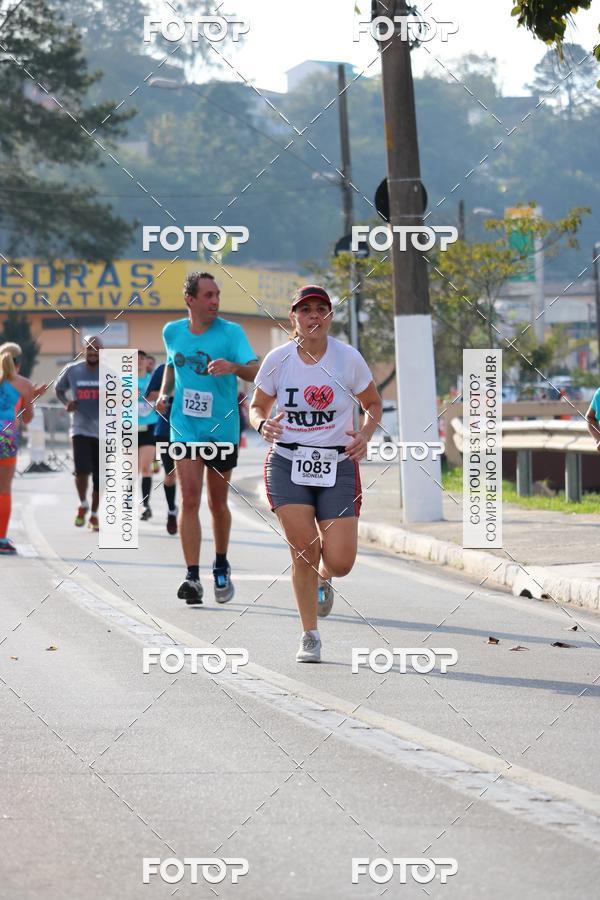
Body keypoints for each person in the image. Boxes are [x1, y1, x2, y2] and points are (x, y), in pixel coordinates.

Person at [250, 285, 382, 663]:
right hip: (288, 463)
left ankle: (325, 577)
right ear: (293, 317)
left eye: (321, 310)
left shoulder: (347, 359)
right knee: (304, 548)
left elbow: (372, 402)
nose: (313, 316)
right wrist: (262, 425)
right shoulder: (278, 360)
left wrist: (366, 434)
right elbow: (257, 406)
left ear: (330, 317)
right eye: (305, 310)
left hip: (338, 464)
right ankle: (309, 635)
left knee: (340, 561)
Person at [156, 271, 259, 605]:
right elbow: (172, 364)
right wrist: (163, 392)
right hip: (184, 427)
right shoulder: (171, 331)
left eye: (217, 295)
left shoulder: (232, 333)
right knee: (189, 500)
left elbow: (257, 369)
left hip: (222, 429)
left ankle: (221, 562)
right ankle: (191, 575)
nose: (215, 301)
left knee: (217, 503)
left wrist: (232, 367)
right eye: (208, 295)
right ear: (190, 299)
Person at [0, 343, 47, 554]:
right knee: (3, 489)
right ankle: (1, 539)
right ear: (19, 363)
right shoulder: (24, 384)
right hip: (6, 435)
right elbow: (27, 418)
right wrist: (32, 396)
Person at [56, 336, 102, 531]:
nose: (93, 352)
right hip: (80, 428)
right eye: (89, 349)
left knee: (100, 478)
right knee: (82, 471)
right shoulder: (72, 370)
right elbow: (59, 389)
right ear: (84, 351)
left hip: (104, 432)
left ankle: (93, 514)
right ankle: (83, 503)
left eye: (97, 349)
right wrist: (67, 403)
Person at [146, 361, 178, 534]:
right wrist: (169, 393)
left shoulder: (198, 367)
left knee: (189, 475)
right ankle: (172, 509)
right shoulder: (163, 369)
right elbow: (149, 395)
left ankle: (187, 510)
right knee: (170, 474)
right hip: (166, 429)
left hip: (194, 430)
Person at [137, 350, 159, 521]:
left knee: (146, 468)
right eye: (135, 359)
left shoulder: (153, 380)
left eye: (142, 359)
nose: (138, 362)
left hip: (150, 427)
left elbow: (162, 397)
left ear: (147, 362)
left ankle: (145, 504)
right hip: (128, 428)